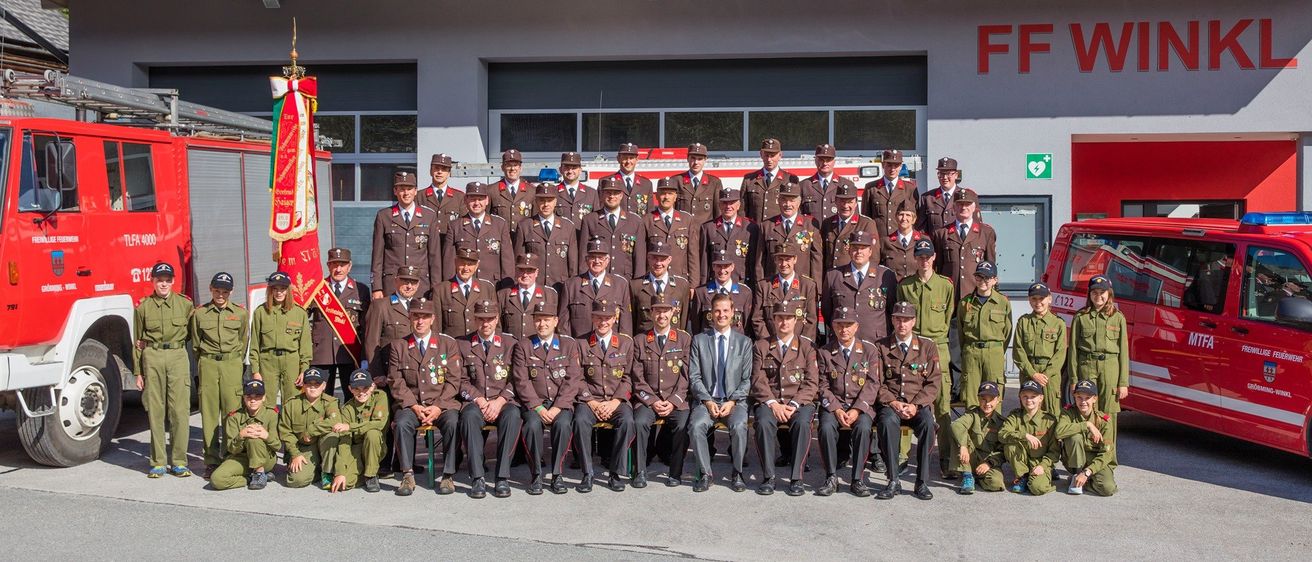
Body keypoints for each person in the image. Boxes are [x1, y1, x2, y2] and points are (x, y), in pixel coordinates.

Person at [387, 298, 464, 497]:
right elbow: (395, 380)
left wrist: (438, 406)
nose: (420, 321)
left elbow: (454, 381)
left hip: (442, 404)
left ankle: (448, 474)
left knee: (454, 422)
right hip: (413, 405)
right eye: (416, 317)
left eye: (425, 317)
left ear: (433, 319)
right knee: (402, 423)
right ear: (410, 318)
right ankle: (407, 474)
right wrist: (414, 406)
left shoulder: (448, 344)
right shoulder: (399, 346)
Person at [512, 294, 584, 495]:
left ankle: (557, 474)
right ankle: (536, 474)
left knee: (562, 425)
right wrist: (538, 407)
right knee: (532, 426)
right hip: (535, 404)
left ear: (555, 321)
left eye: (546, 319)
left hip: (560, 404)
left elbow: (572, 380)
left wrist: (557, 407)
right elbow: (521, 380)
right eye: (538, 319)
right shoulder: (524, 345)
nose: (542, 323)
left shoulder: (568, 345)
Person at [897, 239, 956, 476]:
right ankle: (901, 456)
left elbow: (950, 316)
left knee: (942, 406)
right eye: (919, 256)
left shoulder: (946, 286)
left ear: (934, 258)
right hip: (912, 348)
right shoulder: (906, 286)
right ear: (915, 258)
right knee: (908, 400)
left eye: (927, 256)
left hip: (937, 349)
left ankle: (946, 459)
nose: (924, 260)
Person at [873, 302, 940, 501]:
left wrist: (916, 405)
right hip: (891, 404)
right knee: (886, 423)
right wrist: (893, 402)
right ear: (892, 320)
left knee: (928, 425)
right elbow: (876, 382)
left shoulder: (927, 346)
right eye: (898, 319)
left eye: (906, 320)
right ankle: (893, 479)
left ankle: (922, 481)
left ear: (914, 322)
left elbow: (933, 383)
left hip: (916, 404)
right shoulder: (881, 346)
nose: (902, 324)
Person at [687, 294, 754, 493]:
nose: (721, 315)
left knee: (739, 425)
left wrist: (732, 401)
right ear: (710, 314)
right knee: (696, 425)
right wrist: (707, 401)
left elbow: (747, 379)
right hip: (706, 401)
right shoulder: (699, 340)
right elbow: (694, 376)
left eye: (726, 310)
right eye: (717, 310)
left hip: (734, 401)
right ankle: (706, 474)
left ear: (733, 313)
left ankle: (738, 472)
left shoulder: (744, 342)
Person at [750, 302, 819, 496]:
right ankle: (768, 476)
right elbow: (757, 379)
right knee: (763, 423)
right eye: (780, 317)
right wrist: (773, 404)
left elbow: (812, 382)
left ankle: (796, 478)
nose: (784, 322)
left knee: (803, 423)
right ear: (773, 320)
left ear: (796, 321)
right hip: (770, 400)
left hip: (798, 402)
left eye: (788, 318)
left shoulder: (807, 346)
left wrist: (794, 404)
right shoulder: (761, 345)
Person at [134, 262, 194, 478]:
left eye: (168, 280)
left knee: (179, 411)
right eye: (160, 280)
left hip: (177, 356)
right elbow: (138, 341)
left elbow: (191, 334)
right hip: (153, 357)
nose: (164, 284)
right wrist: (137, 372)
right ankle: (158, 461)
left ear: (173, 281)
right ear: (153, 281)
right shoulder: (143, 307)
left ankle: (179, 461)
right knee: (156, 411)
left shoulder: (185, 305)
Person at [457, 300, 521, 499]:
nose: (486, 324)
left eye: (490, 319)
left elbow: (517, 379)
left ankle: (502, 477)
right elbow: (459, 379)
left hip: (502, 401)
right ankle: (477, 477)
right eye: (481, 319)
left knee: (513, 417)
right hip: (476, 402)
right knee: (468, 418)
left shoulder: (511, 344)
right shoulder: (462, 344)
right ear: (475, 319)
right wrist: (479, 400)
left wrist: (500, 400)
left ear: (497, 320)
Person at [573, 301, 637, 493]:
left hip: (616, 400)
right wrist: (591, 402)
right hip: (589, 400)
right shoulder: (581, 343)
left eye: (607, 317)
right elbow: (577, 378)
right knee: (580, 421)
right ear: (592, 318)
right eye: (599, 317)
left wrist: (616, 401)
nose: (603, 322)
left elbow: (628, 378)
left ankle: (615, 473)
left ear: (615, 318)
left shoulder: (626, 343)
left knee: (627, 421)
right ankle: (587, 473)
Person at [816, 306, 879, 496]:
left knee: (863, 428)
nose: (844, 329)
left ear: (856, 326)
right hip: (834, 405)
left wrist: (857, 409)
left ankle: (857, 479)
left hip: (859, 406)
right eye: (840, 325)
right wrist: (835, 409)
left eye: (848, 325)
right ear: (833, 327)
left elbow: (873, 384)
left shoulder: (869, 350)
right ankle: (831, 476)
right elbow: (822, 385)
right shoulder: (825, 352)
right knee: (825, 428)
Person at [631, 293, 693, 488]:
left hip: (676, 399)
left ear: (673, 312)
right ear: (651, 313)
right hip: (648, 400)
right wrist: (652, 401)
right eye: (657, 310)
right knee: (640, 422)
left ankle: (675, 473)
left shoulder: (683, 339)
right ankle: (639, 471)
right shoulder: (639, 340)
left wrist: (674, 401)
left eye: (665, 310)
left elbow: (687, 376)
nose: (661, 315)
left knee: (682, 425)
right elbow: (636, 377)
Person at [191, 271, 248, 478]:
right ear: (211, 290)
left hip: (231, 364)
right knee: (209, 414)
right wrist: (206, 362)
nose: (220, 295)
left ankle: (231, 455)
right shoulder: (200, 314)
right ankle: (212, 460)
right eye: (217, 290)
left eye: (225, 291)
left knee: (232, 413)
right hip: (208, 364)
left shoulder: (241, 314)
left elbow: (243, 341)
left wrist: (234, 361)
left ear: (231, 292)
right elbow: (196, 345)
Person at [1069, 275, 1129, 428]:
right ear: (1089, 294)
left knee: (1109, 411)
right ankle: (1089, 449)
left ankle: (1109, 451)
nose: (1098, 296)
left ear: (1109, 294)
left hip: (1110, 368)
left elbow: (1123, 352)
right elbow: (1073, 351)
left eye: (1102, 292)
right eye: (1094, 292)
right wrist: (1074, 379)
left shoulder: (1117, 317)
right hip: (1087, 365)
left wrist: (1123, 383)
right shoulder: (1081, 317)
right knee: (1087, 408)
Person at [371, 170, 441, 299]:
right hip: (392, 284)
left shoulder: (429, 216)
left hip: (420, 284)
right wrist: (376, 287)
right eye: (402, 189)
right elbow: (377, 256)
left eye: (409, 189)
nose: (406, 193)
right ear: (395, 191)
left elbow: (434, 256)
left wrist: (435, 288)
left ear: (415, 191)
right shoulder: (384, 216)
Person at [310, 247, 369, 396]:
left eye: (342, 265)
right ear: (328, 265)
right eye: (334, 264)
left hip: (349, 352)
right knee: (323, 397)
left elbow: (366, 324)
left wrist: (364, 356)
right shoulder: (317, 288)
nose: (338, 269)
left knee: (352, 395)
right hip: (322, 352)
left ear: (349, 266)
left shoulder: (360, 289)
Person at [822, 230, 897, 345]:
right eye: (855, 247)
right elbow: (827, 312)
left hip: (876, 343)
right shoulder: (834, 275)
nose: (859, 252)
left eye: (863, 248)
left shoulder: (885, 276)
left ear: (870, 251)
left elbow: (891, 311)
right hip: (843, 343)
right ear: (849, 250)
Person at [249, 271, 312, 404]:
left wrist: (304, 369)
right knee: (267, 402)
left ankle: (289, 426)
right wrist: (255, 371)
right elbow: (254, 344)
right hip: (267, 362)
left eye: (282, 289)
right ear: (269, 290)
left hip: (291, 362)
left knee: (292, 401)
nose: (279, 293)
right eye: (275, 289)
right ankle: (269, 425)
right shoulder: (261, 312)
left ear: (288, 290)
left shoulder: (299, 313)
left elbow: (305, 345)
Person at [956, 262, 1012, 409]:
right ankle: (974, 431)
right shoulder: (965, 303)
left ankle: (993, 431)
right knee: (972, 396)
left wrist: (997, 350)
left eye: (987, 278)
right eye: (979, 277)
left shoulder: (1003, 303)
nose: (983, 282)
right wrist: (969, 350)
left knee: (994, 396)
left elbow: (1007, 332)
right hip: (972, 353)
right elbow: (961, 333)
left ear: (995, 280)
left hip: (993, 353)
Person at [210, 380, 280, 491]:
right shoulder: (234, 417)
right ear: (244, 397)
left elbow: (277, 446)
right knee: (217, 480)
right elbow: (231, 449)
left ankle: (260, 473)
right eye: (249, 396)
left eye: (257, 396)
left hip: (265, 459)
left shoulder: (271, 414)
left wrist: (266, 435)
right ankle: (250, 478)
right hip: (242, 458)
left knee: (254, 438)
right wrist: (241, 436)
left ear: (264, 398)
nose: (253, 400)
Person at [278, 367, 341, 489]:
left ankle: (327, 472)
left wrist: (310, 431)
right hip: (303, 448)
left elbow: (335, 421)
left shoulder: (330, 402)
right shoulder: (291, 404)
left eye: (317, 384)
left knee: (332, 435)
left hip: (323, 446)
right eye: (309, 383)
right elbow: (285, 432)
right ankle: (317, 470)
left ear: (324, 386)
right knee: (295, 481)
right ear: (304, 385)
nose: (313, 387)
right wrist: (295, 454)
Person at [442, 181, 514, 287]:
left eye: (480, 199)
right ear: (465, 200)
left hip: (493, 286)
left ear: (487, 200)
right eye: (472, 199)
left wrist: (506, 289)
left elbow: (507, 261)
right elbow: (449, 262)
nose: (476, 203)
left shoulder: (500, 224)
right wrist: (450, 287)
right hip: (464, 286)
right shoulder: (455, 226)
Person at [1013, 282, 1068, 417]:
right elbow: (1018, 351)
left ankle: (1051, 439)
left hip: (1050, 376)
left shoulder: (1058, 323)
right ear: (1029, 300)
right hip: (1029, 372)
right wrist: (1033, 374)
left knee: (1051, 413)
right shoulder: (1023, 322)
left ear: (1049, 299)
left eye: (1041, 299)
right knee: (1028, 411)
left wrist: (1045, 375)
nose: (1038, 303)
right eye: (1034, 299)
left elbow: (1060, 353)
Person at [932, 189, 997, 302]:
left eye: (967, 204)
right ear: (954, 207)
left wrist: (993, 293)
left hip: (975, 294)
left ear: (974, 207)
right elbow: (938, 267)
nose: (963, 207)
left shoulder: (986, 232)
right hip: (949, 296)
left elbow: (991, 265)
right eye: (960, 204)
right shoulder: (942, 233)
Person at [1055, 380, 1118, 496]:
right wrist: (1087, 425)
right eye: (1079, 397)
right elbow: (1058, 432)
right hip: (1074, 461)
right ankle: (1075, 476)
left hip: (1095, 461)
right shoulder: (1068, 413)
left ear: (1094, 399)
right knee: (1074, 437)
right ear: (1074, 397)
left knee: (1108, 489)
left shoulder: (1104, 421)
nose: (1083, 401)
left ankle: (1085, 481)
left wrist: (1087, 472)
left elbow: (1106, 453)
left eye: (1087, 397)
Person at [331, 368, 389, 494]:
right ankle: (361, 471)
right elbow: (344, 440)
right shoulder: (347, 408)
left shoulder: (380, 397)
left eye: (365, 388)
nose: (361, 392)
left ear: (373, 386)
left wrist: (350, 427)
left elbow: (379, 423)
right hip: (357, 449)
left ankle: (371, 475)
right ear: (350, 389)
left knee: (372, 433)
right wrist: (340, 471)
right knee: (346, 483)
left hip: (376, 447)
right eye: (356, 388)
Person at [560, 237, 632, 337]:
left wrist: (622, 347)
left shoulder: (620, 285)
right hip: (580, 346)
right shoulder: (571, 285)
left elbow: (625, 324)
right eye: (593, 257)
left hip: (611, 349)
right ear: (586, 260)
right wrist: (568, 347)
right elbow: (563, 323)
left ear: (607, 260)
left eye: (601, 257)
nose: (597, 261)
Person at [578, 177, 647, 281]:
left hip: (625, 280)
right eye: (608, 193)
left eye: (615, 193)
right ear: (602, 195)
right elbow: (584, 254)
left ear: (621, 195)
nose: (611, 196)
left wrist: (637, 284)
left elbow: (639, 258)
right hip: (596, 280)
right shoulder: (590, 220)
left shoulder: (635, 222)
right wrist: (584, 281)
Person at [999, 380, 1060, 496]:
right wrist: (1024, 435)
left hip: (1041, 461)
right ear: (1020, 397)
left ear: (1041, 398)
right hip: (1022, 461)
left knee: (1037, 488)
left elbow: (1055, 451)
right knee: (1010, 445)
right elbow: (1002, 434)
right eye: (1025, 396)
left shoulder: (1049, 420)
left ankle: (1046, 474)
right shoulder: (1015, 416)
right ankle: (1022, 477)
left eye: (1033, 397)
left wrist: (1043, 466)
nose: (1029, 400)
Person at [513, 183, 578, 291]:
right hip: (534, 286)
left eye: (550, 200)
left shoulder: (568, 227)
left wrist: (572, 288)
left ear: (556, 201)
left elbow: (573, 264)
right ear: (536, 201)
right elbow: (518, 260)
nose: (546, 204)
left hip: (560, 286)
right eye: (542, 200)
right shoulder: (525, 226)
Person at [363, 265, 422, 381]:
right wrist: (376, 374)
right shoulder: (380, 306)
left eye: (413, 282)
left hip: (416, 375)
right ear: (396, 281)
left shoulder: (421, 307)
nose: (409, 286)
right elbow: (371, 341)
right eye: (405, 281)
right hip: (389, 374)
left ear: (418, 285)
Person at [753, 242, 820, 343]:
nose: (784, 264)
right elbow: (757, 319)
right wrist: (768, 343)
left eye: (788, 259)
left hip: (799, 348)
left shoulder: (807, 286)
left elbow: (811, 321)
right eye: (780, 259)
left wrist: (802, 347)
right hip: (771, 346)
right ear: (775, 260)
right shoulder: (764, 286)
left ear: (795, 259)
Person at [950, 381, 1007, 494]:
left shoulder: (1002, 422)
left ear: (998, 400)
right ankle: (967, 474)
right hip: (969, 458)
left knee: (996, 484)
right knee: (958, 432)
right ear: (978, 399)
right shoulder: (972, 415)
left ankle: (977, 477)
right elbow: (956, 425)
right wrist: (963, 446)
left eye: (991, 399)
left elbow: (1002, 451)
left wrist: (989, 464)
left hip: (988, 460)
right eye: (984, 399)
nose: (987, 403)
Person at [761, 181, 822, 282]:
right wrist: (761, 286)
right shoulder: (767, 226)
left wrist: (816, 290)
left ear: (799, 202)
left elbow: (816, 260)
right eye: (784, 200)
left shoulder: (810, 225)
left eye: (792, 200)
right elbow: (760, 260)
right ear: (778, 201)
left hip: (802, 286)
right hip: (773, 286)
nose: (788, 204)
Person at [643, 178, 701, 282]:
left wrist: (694, 284)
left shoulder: (687, 220)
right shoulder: (647, 220)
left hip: (680, 279)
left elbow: (693, 255)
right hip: (654, 278)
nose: (666, 197)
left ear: (675, 197)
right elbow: (642, 254)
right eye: (663, 193)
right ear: (656, 195)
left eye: (670, 193)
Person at [699, 188, 762, 285]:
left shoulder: (750, 228)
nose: (728, 206)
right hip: (716, 283)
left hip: (741, 283)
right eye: (724, 203)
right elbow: (704, 261)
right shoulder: (708, 228)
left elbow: (754, 261)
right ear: (719, 205)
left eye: (732, 203)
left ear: (738, 205)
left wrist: (755, 286)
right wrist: (703, 284)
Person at [630, 239, 691, 333]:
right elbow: (633, 321)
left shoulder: (682, 285)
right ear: (648, 258)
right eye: (655, 258)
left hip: (673, 343)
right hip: (644, 343)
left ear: (669, 260)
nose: (658, 263)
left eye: (662, 259)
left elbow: (683, 322)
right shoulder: (635, 286)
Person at [691, 248, 754, 335]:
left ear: (732, 267)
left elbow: (747, 327)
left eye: (726, 266)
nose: (722, 271)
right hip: (709, 343)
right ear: (713, 267)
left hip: (736, 344)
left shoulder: (745, 293)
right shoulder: (701, 292)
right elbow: (696, 326)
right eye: (719, 266)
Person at [438, 244, 494, 339]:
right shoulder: (441, 290)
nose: (466, 268)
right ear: (455, 263)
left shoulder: (487, 288)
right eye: (462, 263)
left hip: (478, 348)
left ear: (477, 266)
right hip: (452, 348)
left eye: (470, 264)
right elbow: (436, 328)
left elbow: (496, 325)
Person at [819, 183, 878, 273]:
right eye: (842, 201)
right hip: (830, 277)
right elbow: (822, 255)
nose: (846, 206)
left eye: (850, 202)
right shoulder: (827, 223)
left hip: (852, 278)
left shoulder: (866, 223)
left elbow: (874, 256)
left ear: (856, 203)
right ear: (836, 201)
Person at [498, 254, 557, 341]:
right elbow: (497, 326)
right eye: (521, 270)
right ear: (516, 271)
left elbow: (556, 325)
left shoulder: (549, 295)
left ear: (536, 272)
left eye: (529, 271)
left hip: (537, 349)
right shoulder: (504, 294)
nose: (525, 275)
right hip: (511, 348)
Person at [863, 149, 918, 240]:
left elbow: (914, 218)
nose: (892, 169)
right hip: (878, 240)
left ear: (900, 166)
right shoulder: (871, 188)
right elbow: (867, 218)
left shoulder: (910, 189)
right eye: (889, 165)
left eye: (896, 165)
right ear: (883, 165)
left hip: (900, 242)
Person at [742, 138, 799, 225]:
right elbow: (742, 210)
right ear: (761, 154)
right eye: (766, 155)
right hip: (754, 232)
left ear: (780, 155)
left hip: (778, 232)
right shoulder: (749, 180)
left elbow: (796, 209)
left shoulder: (790, 179)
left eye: (772, 155)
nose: (769, 159)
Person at [917, 157, 978, 234]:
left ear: (956, 175)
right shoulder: (928, 198)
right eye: (941, 174)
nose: (944, 177)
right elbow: (922, 229)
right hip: (935, 245)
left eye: (948, 174)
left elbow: (977, 226)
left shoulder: (969, 196)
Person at [799, 143, 858, 221]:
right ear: (815, 160)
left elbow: (855, 217)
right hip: (811, 232)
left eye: (828, 160)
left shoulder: (846, 184)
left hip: (837, 232)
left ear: (834, 161)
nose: (825, 163)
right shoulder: (804, 185)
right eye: (821, 160)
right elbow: (798, 217)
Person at [671, 142, 723, 226]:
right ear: (687, 158)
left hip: (704, 234)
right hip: (682, 233)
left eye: (700, 159)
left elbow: (718, 213)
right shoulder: (676, 181)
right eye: (693, 158)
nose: (696, 162)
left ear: (705, 160)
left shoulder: (714, 183)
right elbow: (671, 211)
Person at [417, 153, 466, 237]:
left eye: (443, 169)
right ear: (430, 171)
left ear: (449, 173)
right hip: (427, 244)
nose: (439, 172)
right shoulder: (419, 196)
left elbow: (464, 224)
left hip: (449, 244)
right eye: (436, 168)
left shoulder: (459, 197)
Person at [490, 149, 535, 237]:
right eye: (508, 165)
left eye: (515, 165)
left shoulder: (532, 191)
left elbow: (536, 221)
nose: (512, 169)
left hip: (524, 242)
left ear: (520, 168)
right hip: (500, 240)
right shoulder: (491, 190)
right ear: (502, 167)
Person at [881, 200, 928, 281]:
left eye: (908, 215)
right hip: (893, 289)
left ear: (914, 219)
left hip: (916, 289)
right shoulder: (885, 241)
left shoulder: (923, 240)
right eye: (901, 214)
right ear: (896, 217)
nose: (904, 218)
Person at [610, 142, 655, 217]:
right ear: (618, 159)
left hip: (639, 227)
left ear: (637, 159)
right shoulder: (607, 182)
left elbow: (649, 213)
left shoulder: (646, 184)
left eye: (631, 158)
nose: (628, 162)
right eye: (625, 158)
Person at [555, 151, 599, 225]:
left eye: (574, 168)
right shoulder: (553, 192)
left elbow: (596, 221)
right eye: (567, 167)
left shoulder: (592, 193)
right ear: (560, 170)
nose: (570, 171)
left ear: (580, 170)